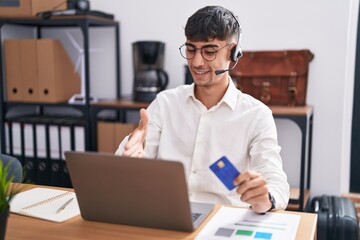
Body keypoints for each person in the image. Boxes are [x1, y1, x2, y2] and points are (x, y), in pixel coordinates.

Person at [116, 5, 289, 213]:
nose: (197, 62)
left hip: (223, 219)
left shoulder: (257, 115)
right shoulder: (165, 103)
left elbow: (276, 183)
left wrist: (265, 198)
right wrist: (129, 158)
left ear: (233, 54)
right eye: (191, 49)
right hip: (167, 213)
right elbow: (129, 164)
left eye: (209, 51)